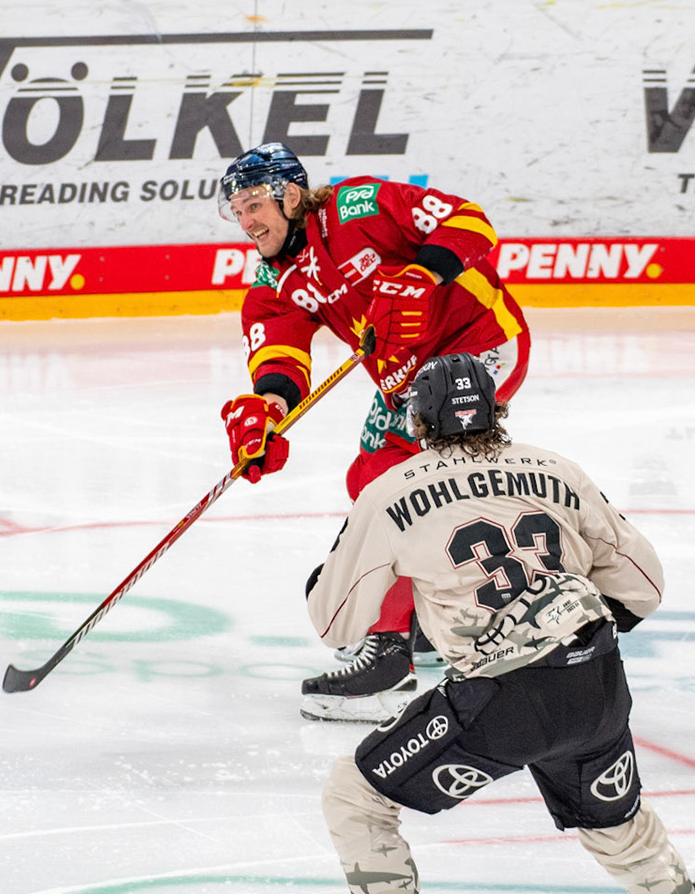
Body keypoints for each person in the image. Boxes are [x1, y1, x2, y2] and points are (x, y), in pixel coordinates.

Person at [303, 353, 695, 894]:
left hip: (500, 701)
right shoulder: (558, 470)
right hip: (596, 681)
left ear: (417, 419)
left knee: (355, 797)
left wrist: (332, 572)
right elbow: (645, 586)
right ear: (498, 407)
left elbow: (336, 626)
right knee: (617, 823)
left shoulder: (392, 492)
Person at [218, 143, 531, 723]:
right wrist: (266, 410)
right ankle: (426, 613)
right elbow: (280, 358)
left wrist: (421, 273)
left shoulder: (360, 205)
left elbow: (470, 221)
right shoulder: (273, 281)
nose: (246, 222)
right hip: (405, 376)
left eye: (254, 204)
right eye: (235, 211)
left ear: (291, 195)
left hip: (478, 346)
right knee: (372, 481)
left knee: (393, 485)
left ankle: (391, 660)